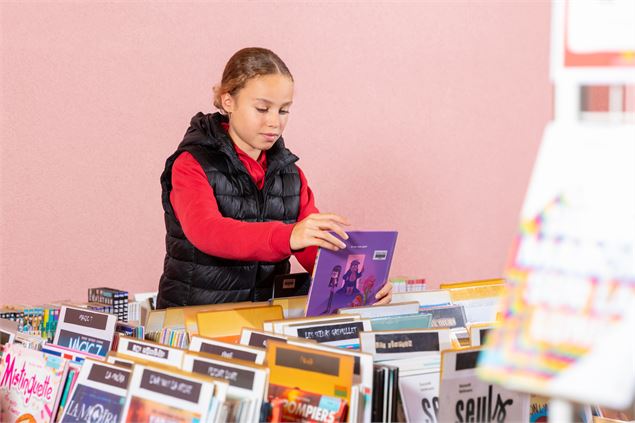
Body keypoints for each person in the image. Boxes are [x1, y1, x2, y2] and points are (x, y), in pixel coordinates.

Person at [156, 47, 392, 308]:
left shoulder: (290, 173)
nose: (274, 122)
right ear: (228, 101)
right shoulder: (191, 164)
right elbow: (207, 231)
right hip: (193, 318)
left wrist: (364, 283)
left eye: (283, 111)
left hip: (265, 318)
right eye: (262, 108)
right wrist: (288, 235)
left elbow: (312, 243)